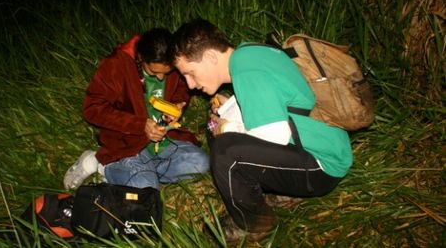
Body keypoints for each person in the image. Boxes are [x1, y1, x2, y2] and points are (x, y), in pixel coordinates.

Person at [171, 19, 353, 245]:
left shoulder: (247, 72)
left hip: (321, 166)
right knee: (215, 128)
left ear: (210, 57)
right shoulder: (248, 53)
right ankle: (284, 192)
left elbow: (274, 135)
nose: (189, 84)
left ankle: (253, 223)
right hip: (322, 147)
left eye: (190, 73)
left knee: (226, 152)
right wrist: (229, 110)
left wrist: (228, 127)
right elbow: (273, 100)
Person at [63, 28, 209, 190]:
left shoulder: (175, 60)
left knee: (201, 164)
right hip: (126, 144)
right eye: (154, 72)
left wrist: (176, 104)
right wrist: (140, 124)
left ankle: (139, 173)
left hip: (165, 141)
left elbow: (182, 89)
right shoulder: (117, 65)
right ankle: (101, 165)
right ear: (141, 58)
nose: (161, 78)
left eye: (167, 72)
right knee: (145, 186)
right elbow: (93, 109)